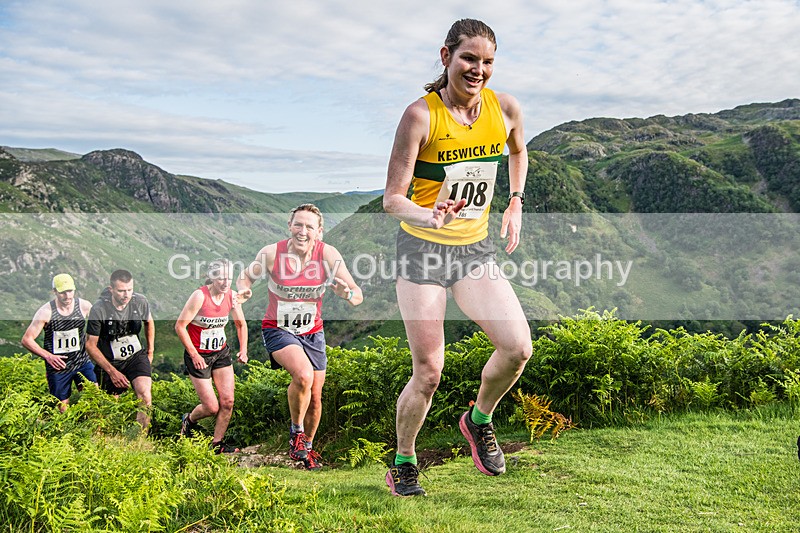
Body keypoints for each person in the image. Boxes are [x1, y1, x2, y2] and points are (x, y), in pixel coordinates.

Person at [382, 18, 532, 496]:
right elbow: (392, 199)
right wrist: (429, 217)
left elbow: (518, 152)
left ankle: (478, 419)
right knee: (428, 373)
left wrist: (515, 201)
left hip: (474, 250)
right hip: (422, 251)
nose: (478, 70)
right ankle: (404, 461)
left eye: (487, 62)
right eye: (469, 58)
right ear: (446, 57)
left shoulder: (505, 108)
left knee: (518, 348)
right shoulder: (420, 116)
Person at [237, 204, 363, 470]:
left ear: (319, 231)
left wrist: (347, 294)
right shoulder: (272, 253)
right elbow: (246, 277)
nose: (302, 231)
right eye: (298, 225)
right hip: (278, 328)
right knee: (303, 375)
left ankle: (307, 451)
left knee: (315, 397)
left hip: (312, 331)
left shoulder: (327, 254)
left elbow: (357, 295)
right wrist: (244, 290)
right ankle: (296, 433)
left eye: (309, 227)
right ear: (289, 226)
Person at [175, 259, 248, 454]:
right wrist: (194, 354)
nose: (225, 283)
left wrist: (243, 350)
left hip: (220, 353)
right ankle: (189, 420)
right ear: (212, 277)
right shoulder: (200, 296)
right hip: (198, 355)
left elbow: (241, 324)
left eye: (229, 278)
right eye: (221, 278)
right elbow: (180, 326)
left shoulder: (231, 296)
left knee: (228, 402)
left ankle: (217, 445)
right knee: (211, 407)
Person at [85, 269, 155, 429]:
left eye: (130, 290)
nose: (126, 294)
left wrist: (150, 351)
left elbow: (149, 322)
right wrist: (112, 372)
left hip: (135, 355)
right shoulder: (99, 309)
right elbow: (90, 345)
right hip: (109, 359)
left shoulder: (140, 302)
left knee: (145, 395)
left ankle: (140, 437)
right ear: (111, 289)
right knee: (109, 405)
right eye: (121, 291)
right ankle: (107, 436)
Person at [21, 273, 97, 411]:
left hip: (81, 361)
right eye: (63, 292)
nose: (67, 296)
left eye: (70, 291)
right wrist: (48, 356)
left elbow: (97, 328)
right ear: (54, 292)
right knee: (62, 409)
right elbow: (27, 340)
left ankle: (93, 425)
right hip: (58, 366)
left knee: (95, 397)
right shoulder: (46, 312)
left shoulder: (84, 306)